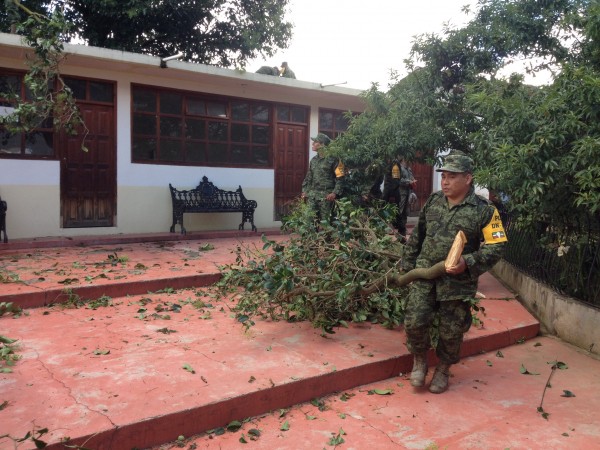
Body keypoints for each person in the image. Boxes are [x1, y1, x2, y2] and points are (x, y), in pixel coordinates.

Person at [400, 151, 508, 394]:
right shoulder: (434, 201)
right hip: (424, 273)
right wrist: (407, 268)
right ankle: (419, 360)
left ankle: (443, 369)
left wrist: (468, 262)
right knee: (415, 321)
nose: (445, 182)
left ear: (468, 178)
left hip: (456, 282)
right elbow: (417, 236)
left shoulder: (485, 210)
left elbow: (497, 245)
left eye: (451, 177)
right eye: (443, 177)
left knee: (451, 331)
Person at [301, 133, 345, 224]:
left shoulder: (335, 159)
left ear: (322, 144)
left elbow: (340, 178)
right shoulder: (313, 160)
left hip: (326, 197)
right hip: (312, 196)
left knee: (326, 223)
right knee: (309, 221)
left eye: (315, 142)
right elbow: (309, 177)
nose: (312, 144)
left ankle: (327, 238)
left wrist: (334, 193)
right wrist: (305, 191)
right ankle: (312, 238)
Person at [382, 156, 416, 239]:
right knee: (397, 212)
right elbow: (398, 181)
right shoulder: (396, 166)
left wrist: (412, 183)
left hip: (405, 192)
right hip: (399, 192)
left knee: (404, 212)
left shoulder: (407, 168)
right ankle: (393, 229)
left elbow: (398, 180)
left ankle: (402, 231)